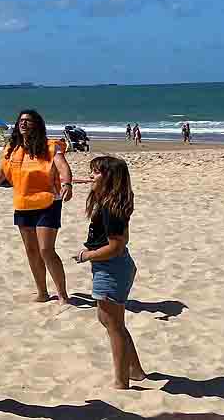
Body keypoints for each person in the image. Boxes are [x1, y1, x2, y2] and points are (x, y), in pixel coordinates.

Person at [0, 109, 73, 305]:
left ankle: (62, 294)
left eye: (28, 121)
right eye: (21, 121)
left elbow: (63, 166)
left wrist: (67, 183)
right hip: (23, 204)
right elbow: (0, 175)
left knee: (46, 249)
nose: (23, 124)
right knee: (32, 251)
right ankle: (42, 292)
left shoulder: (51, 146)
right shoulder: (12, 149)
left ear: (37, 125)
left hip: (49, 202)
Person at [72, 156, 145, 389]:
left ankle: (121, 381)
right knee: (110, 320)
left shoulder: (111, 208)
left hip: (112, 267)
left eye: (96, 173)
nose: (91, 176)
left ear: (110, 178)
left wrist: (87, 256)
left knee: (113, 325)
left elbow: (115, 247)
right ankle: (135, 370)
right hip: (114, 265)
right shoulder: (111, 202)